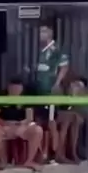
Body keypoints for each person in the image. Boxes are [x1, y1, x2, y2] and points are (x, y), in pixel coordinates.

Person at [35, 22, 70, 159]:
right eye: (40, 31)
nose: (40, 34)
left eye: (43, 31)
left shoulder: (56, 50)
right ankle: (43, 152)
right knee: (41, 121)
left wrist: (57, 83)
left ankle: (54, 153)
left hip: (50, 91)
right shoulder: (40, 50)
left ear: (50, 33)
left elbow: (64, 67)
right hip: (40, 91)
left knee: (51, 122)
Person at [0, 77, 44, 170]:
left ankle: (29, 161)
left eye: (18, 89)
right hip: (4, 126)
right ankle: (1, 161)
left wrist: (21, 124)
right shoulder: (1, 98)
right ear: (9, 88)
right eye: (13, 89)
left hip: (21, 126)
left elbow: (29, 117)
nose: (15, 91)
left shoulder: (25, 99)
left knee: (38, 130)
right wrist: (5, 123)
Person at [56, 75, 88, 163]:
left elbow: (76, 108)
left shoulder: (80, 95)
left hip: (67, 113)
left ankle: (73, 153)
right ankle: (60, 154)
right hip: (53, 113)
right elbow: (58, 106)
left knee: (75, 119)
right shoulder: (59, 87)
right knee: (68, 117)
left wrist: (74, 95)